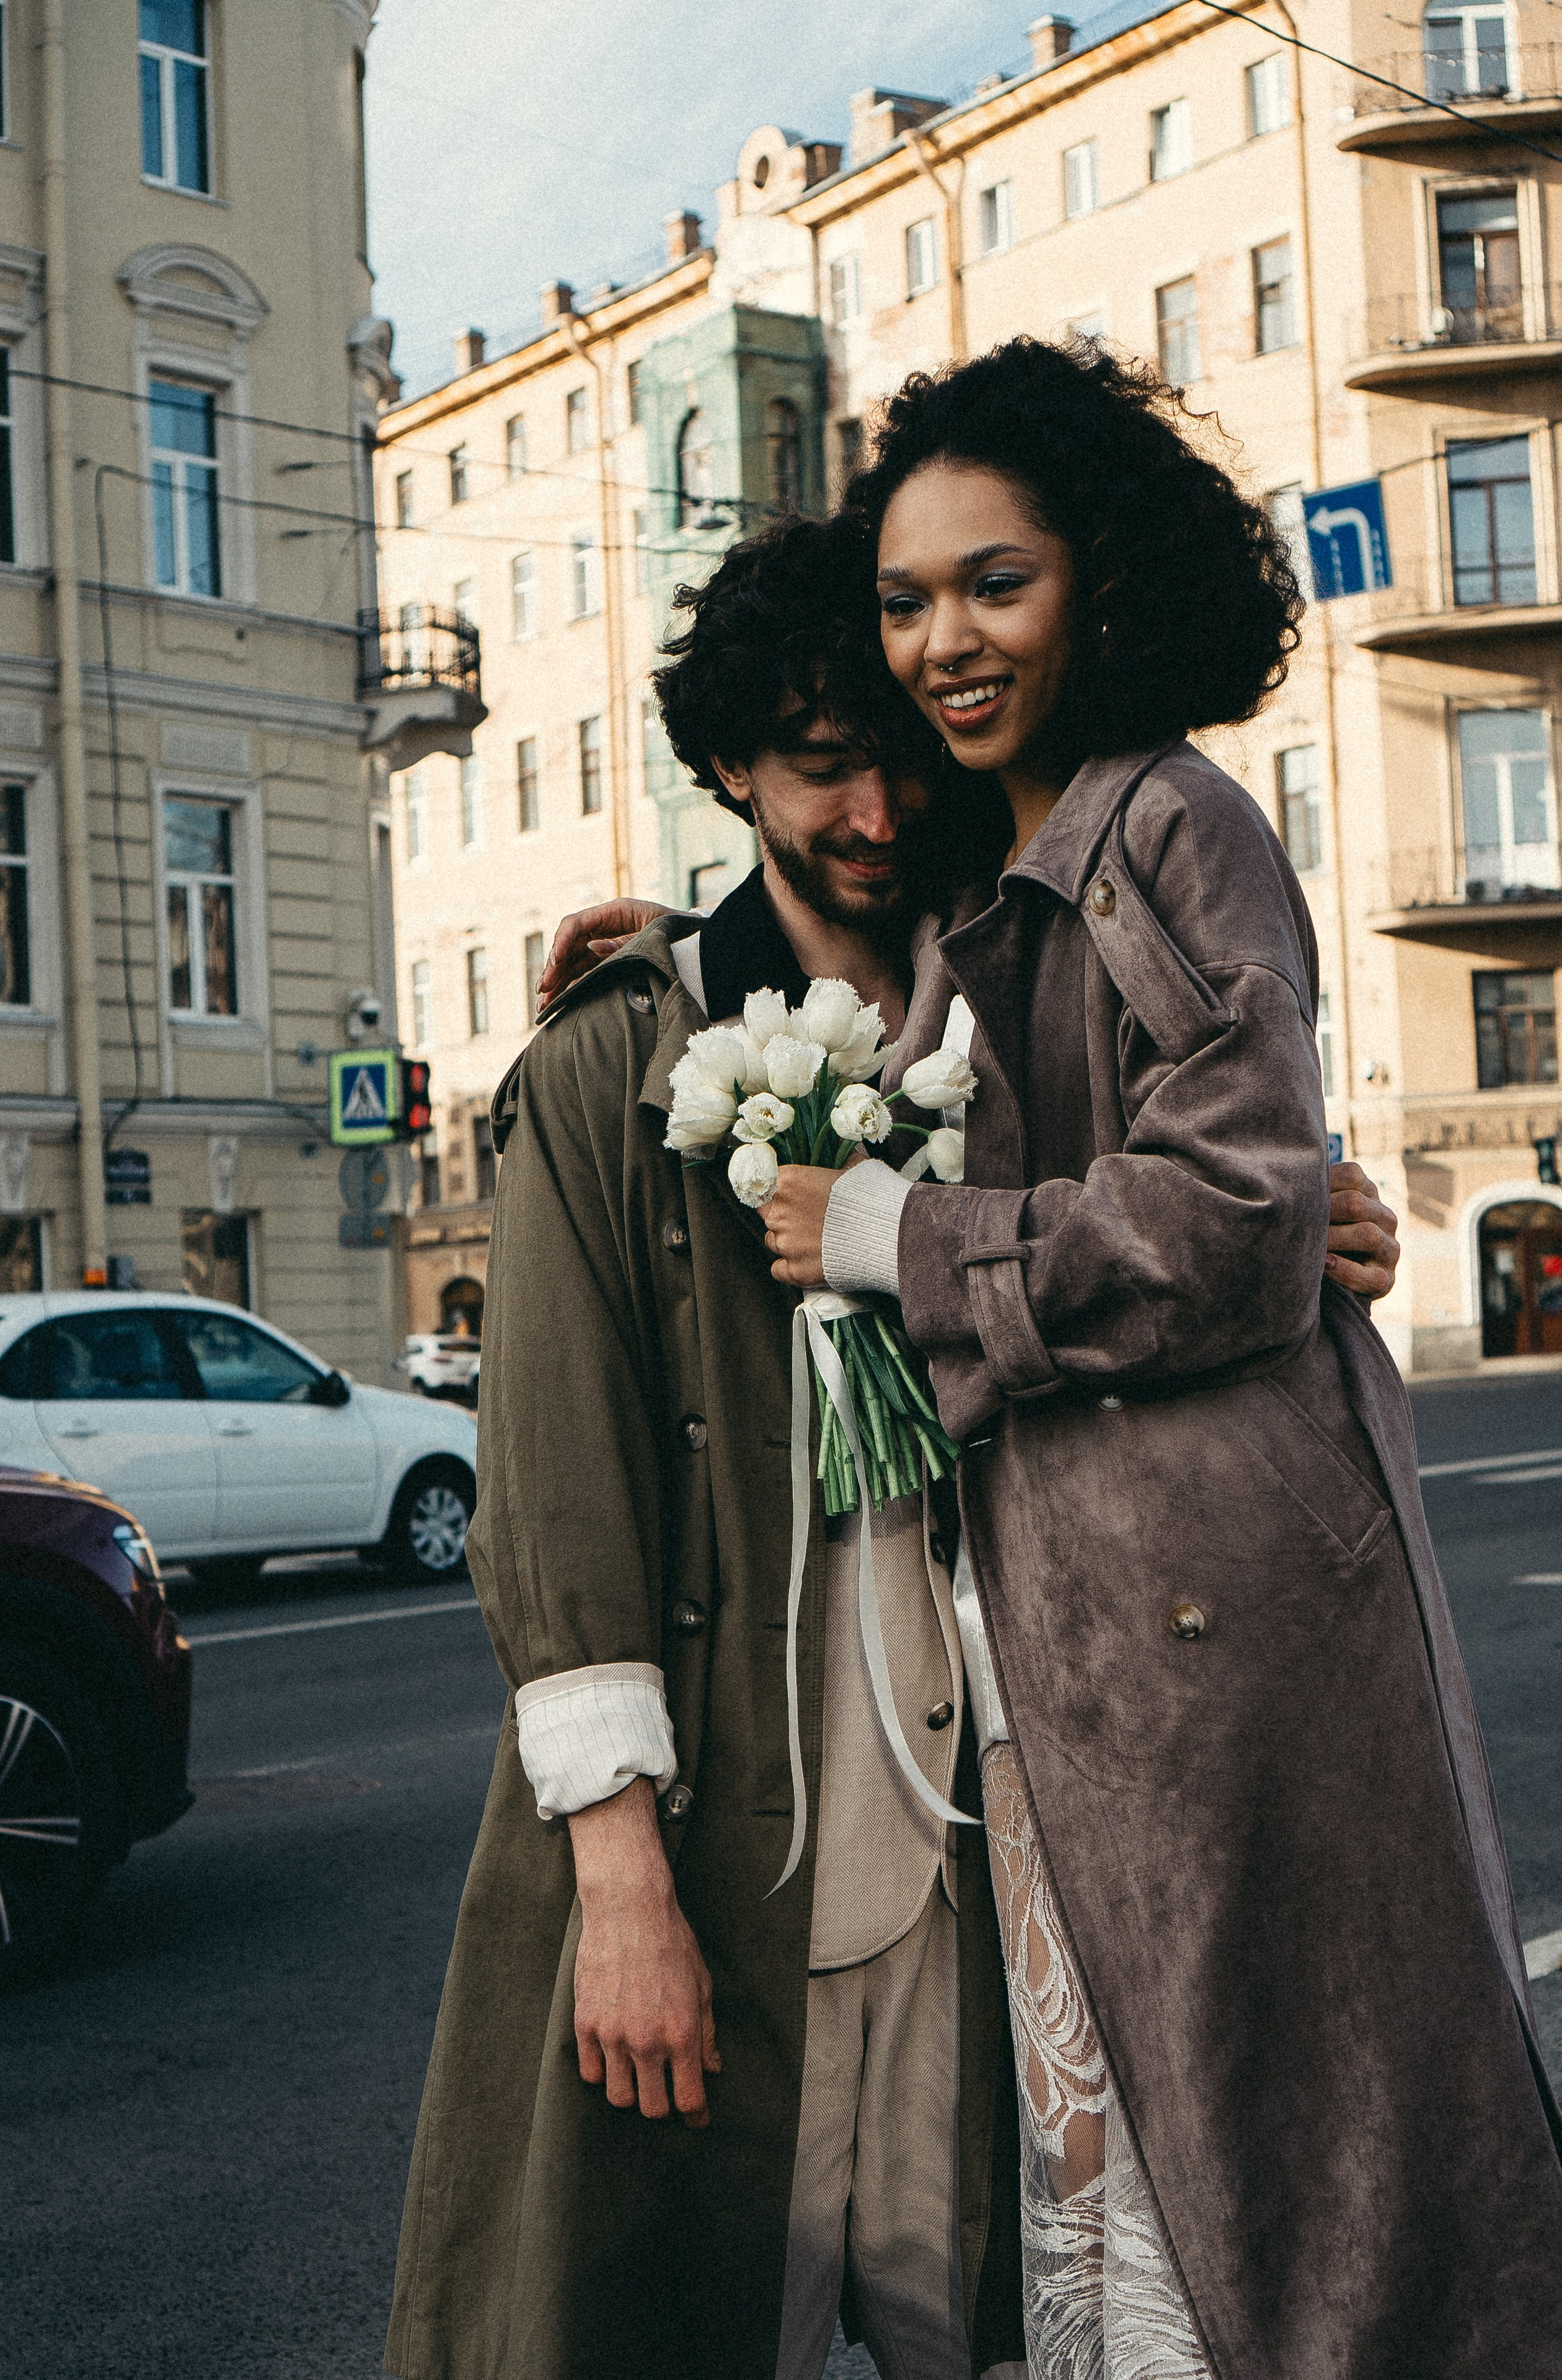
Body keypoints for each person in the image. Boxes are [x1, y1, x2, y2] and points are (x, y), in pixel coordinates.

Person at [744, 338, 1562, 2378]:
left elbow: (1219, 1221)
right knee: (1146, 2152)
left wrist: (901, 1241)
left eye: (994, 585)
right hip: (1081, 1635)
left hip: (1225, 1624)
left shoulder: (1172, 826)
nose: (943, 643)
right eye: (906, 598)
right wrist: (674, 961)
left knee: (1300, 2161)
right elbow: (1225, 1183)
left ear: (1100, 583)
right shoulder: (985, 875)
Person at [386, 514, 1029, 2380]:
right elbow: (560, 1497)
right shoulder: (607, 1068)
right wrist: (621, 1895)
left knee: (1010, 2328)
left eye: (906, 753)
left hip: (998, 1875)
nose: (880, 809)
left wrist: (1304, 1225)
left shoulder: (1020, 1030)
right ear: (733, 764)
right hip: (724, 1869)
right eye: (825, 764)